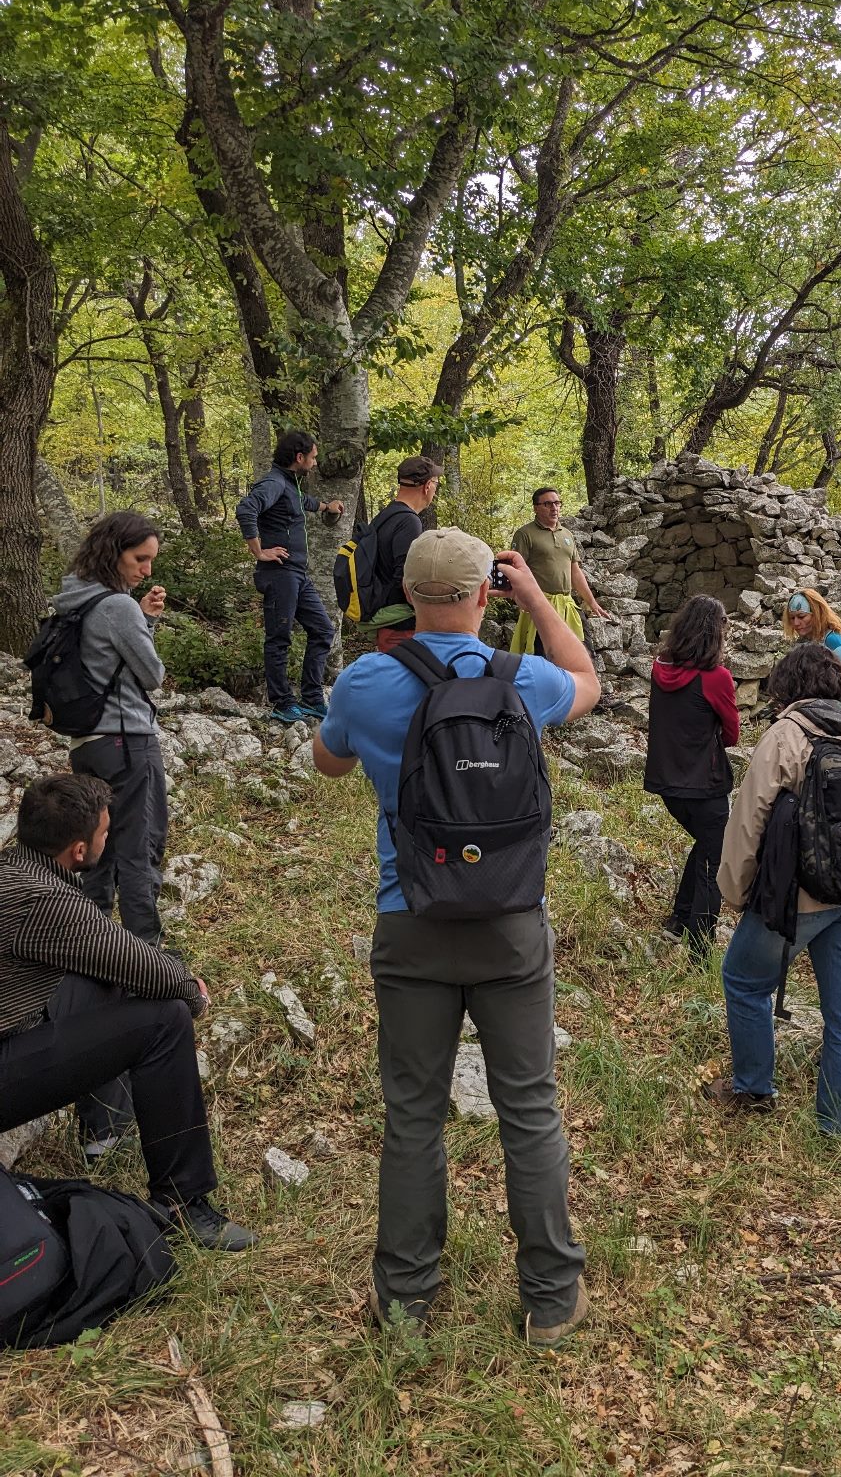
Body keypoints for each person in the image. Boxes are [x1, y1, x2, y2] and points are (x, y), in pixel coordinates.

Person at [313, 527, 599, 1345]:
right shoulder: (524, 681)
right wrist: (540, 598)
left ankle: (404, 1303)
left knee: (412, 1116)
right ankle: (550, 1299)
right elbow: (590, 680)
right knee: (530, 1109)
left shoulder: (366, 683)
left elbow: (329, 762)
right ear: (485, 594)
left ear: (408, 592)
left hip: (412, 922)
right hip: (511, 925)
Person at [0, 775, 254, 1250]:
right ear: (79, 851)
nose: (107, 840)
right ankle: (183, 1203)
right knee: (166, 1017)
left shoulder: (13, 869)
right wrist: (192, 991)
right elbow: (141, 965)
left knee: (105, 977)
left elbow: (112, 955)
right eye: (103, 833)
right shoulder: (46, 902)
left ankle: (104, 1135)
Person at [707, 643, 841, 1132]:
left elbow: (749, 821)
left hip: (794, 900)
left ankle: (753, 1088)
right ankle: (835, 1125)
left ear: (786, 689)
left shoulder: (786, 736)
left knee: (743, 981)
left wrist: (735, 893)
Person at [51, 510, 169, 1159]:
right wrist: (143, 621)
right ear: (116, 553)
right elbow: (150, 676)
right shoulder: (118, 607)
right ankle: (146, 959)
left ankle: (92, 943)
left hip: (87, 745)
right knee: (138, 847)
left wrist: (135, 612)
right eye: (140, 560)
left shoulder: (73, 596)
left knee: (96, 857)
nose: (146, 570)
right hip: (130, 741)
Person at [643, 595, 740, 960]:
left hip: (667, 784)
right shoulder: (717, 678)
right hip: (706, 785)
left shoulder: (658, 669)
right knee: (713, 862)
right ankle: (700, 950)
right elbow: (731, 735)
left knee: (705, 846)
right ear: (716, 633)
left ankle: (679, 920)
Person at [235, 430, 345, 725]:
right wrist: (259, 552)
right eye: (313, 456)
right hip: (279, 573)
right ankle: (282, 702)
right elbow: (247, 509)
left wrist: (326, 506)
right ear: (300, 457)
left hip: (297, 573)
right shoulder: (272, 483)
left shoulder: (288, 484)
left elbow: (301, 501)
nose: (315, 461)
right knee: (279, 638)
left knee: (323, 630)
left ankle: (311, 698)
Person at [509, 487, 611, 655]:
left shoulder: (567, 534)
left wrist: (592, 603)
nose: (554, 508)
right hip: (541, 605)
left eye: (557, 503)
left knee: (583, 653)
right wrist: (519, 598)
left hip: (568, 605)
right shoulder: (524, 534)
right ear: (535, 508)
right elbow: (514, 570)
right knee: (544, 656)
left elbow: (575, 572)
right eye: (548, 504)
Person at [359, 455, 443, 653]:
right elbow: (406, 578)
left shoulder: (385, 515)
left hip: (386, 620)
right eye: (436, 484)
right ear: (427, 486)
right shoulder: (408, 522)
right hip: (400, 627)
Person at [782, 588, 841, 715]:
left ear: (817, 613)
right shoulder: (807, 641)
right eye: (792, 618)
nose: (796, 623)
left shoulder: (835, 642)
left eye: (802, 616)